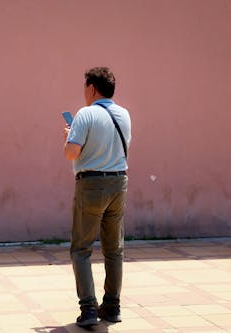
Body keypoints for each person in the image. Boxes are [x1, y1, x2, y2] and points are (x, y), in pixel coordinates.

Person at [63, 67, 131, 328]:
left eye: (85, 87)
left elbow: (71, 153)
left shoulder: (85, 114)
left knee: (81, 248)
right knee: (114, 249)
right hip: (119, 182)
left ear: (92, 88)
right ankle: (112, 306)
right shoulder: (124, 114)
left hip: (91, 184)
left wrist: (69, 137)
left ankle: (88, 308)